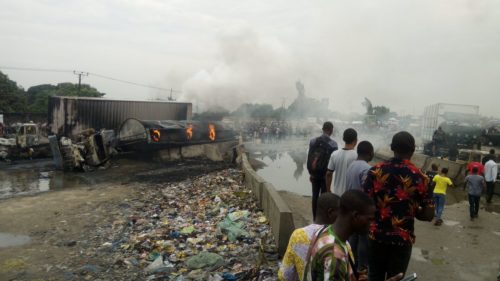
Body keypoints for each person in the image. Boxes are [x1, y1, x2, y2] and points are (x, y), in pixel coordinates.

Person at [363, 131, 434, 281]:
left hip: (376, 236)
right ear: (413, 150)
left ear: (392, 148)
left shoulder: (374, 172)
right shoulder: (421, 177)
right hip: (402, 240)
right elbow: (428, 215)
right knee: (397, 278)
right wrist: (413, 209)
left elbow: (365, 205)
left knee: (374, 276)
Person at [303, 190, 403, 281]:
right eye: (369, 219)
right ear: (355, 216)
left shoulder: (324, 231)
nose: (372, 225)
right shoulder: (335, 256)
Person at [279, 193, 340, 281]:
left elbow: (285, 276)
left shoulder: (298, 235)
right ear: (330, 212)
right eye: (341, 214)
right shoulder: (340, 241)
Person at [345, 140, 374, 272]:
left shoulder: (351, 165)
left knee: (353, 237)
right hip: (361, 209)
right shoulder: (367, 169)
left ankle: (350, 264)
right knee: (363, 239)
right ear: (369, 153)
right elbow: (366, 190)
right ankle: (362, 267)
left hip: (351, 207)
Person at [307, 121, 338, 219]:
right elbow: (333, 165)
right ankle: (323, 219)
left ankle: (314, 218)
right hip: (325, 175)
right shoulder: (333, 145)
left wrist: (311, 173)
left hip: (314, 174)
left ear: (322, 129)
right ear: (331, 130)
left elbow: (309, 157)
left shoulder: (313, 141)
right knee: (324, 197)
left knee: (315, 196)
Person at [326, 128, 358, 196]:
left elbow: (328, 174)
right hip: (351, 195)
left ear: (343, 139)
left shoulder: (335, 154)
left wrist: (328, 190)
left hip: (336, 194)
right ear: (355, 140)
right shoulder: (357, 156)